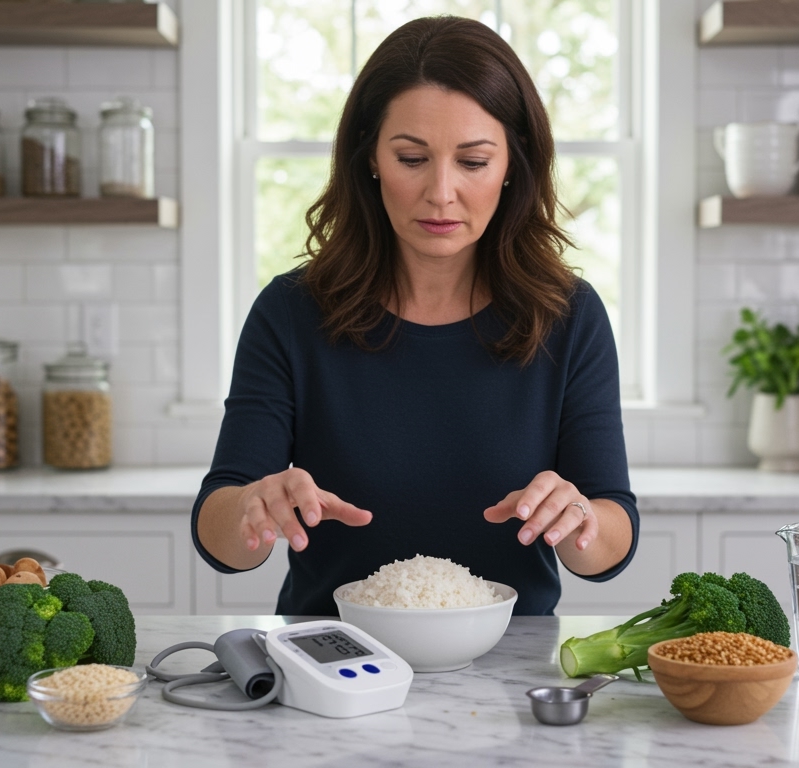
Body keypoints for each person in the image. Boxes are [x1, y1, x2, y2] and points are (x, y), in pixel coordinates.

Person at [193, 15, 637, 617]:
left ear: (513, 166)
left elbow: (610, 545)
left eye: (473, 162)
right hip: (333, 662)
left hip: (508, 667)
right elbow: (219, 537)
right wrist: (253, 506)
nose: (441, 192)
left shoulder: (569, 316)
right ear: (370, 157)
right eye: (411, 157)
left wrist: (579, 518)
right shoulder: (291, 312)